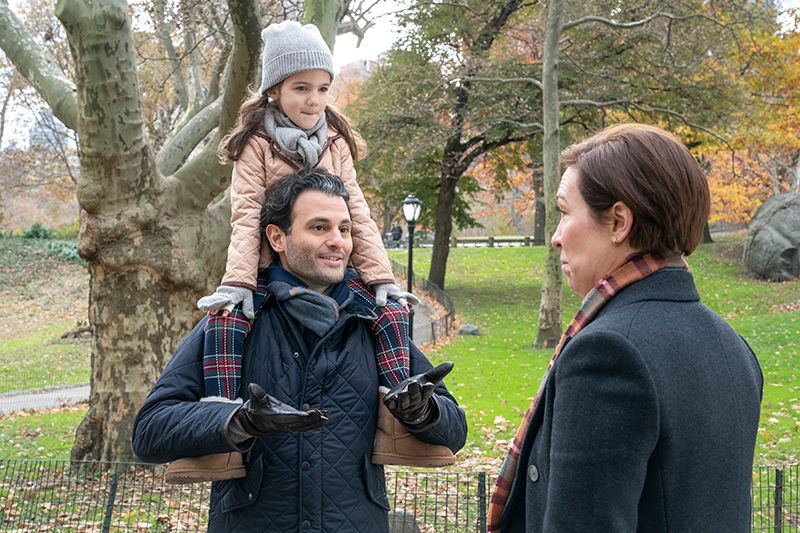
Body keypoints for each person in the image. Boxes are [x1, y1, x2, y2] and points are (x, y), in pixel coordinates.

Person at [172, 20, 444, 482]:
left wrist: (380, 279)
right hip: (267, 264)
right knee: (226, 325)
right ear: (275, 89)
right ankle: (222, 431)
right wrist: (238, 283)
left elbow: (356, 213)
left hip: (331, 265)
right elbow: (246, 216)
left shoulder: (334, 142)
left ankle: (400, 420)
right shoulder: (256, 143)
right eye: (301, 88)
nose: (314, 100)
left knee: (391, 313)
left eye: (322, 88)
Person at [132, 170, 468, 532]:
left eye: (344, 229)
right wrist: (236, 422)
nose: (337, 241)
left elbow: (455, 433)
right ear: (277, 237)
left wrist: (423, 412)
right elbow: (149, 432)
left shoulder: (378, 323)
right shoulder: (233, 323)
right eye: (319, 228)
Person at [488, 124, 763, 532]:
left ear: (618, 222)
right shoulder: (732, 345)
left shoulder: (607, 352)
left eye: (565, 212)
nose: (556, 238)